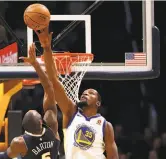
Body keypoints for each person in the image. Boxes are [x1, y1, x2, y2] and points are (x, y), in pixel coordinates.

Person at [35, 27, 119, 159]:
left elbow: (113, 157)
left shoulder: (105, 125)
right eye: (84, 93)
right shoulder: (71, 112)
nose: (85, 94)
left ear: (98, 103)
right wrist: (46, 48)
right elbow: (54, 81)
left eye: (90, 93)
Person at [0, 43, 60, 159]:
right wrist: (36, 64)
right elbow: (49, 88)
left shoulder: (20, 142)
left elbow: (4, 157)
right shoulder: (51, 126)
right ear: (41, 122)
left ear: (24, 130)